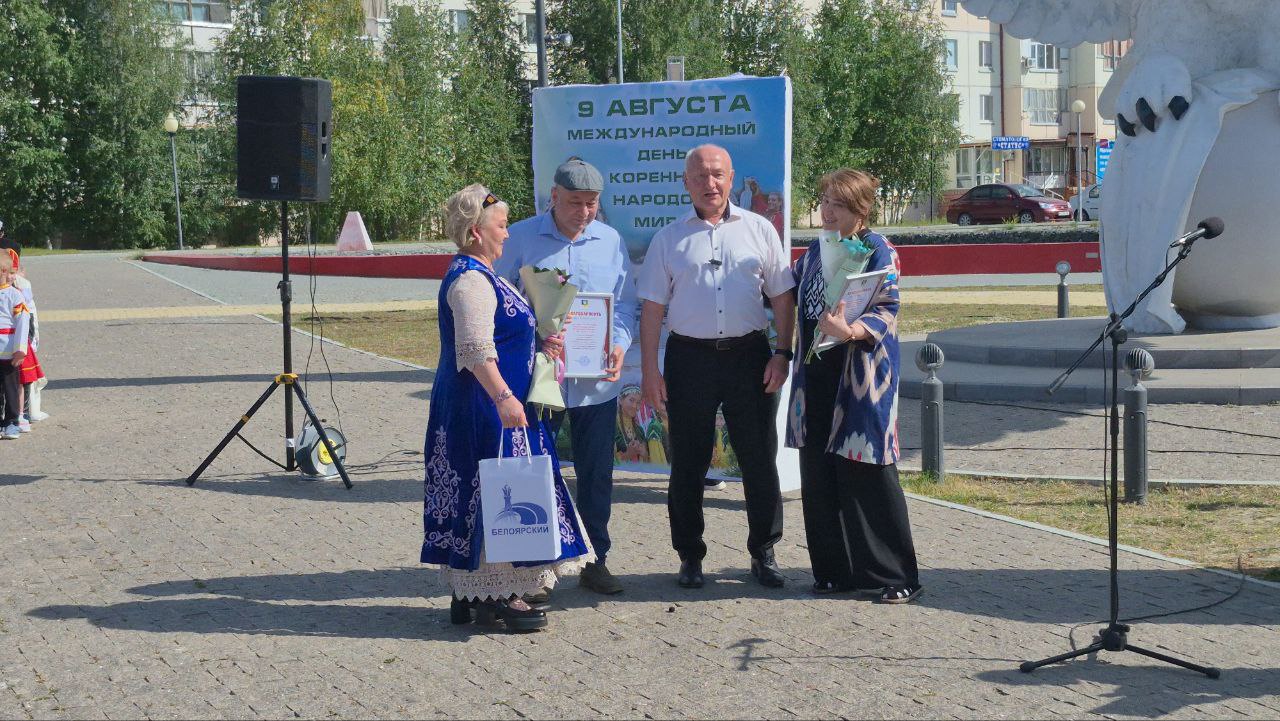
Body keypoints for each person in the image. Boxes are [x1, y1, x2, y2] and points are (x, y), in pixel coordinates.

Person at [421, 184, 593, 632]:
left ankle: (472, 594)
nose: (508, 234)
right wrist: (504, 398)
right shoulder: (470, 281)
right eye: (501, 226)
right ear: (477, 232)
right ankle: (499, 594)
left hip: (490, 406)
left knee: (489, 490)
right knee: (496, 491)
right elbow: (476, 349)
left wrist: (541, 344)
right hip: (484, 409)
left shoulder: (483, 274)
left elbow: (501, 336)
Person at [637, 144, 796, 589]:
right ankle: (689, 555)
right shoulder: (668, 238)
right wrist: (650, 371)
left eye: (718, 174)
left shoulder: (760, 229)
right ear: (686, 183)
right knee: (688, 463)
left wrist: (783, 352)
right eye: (700, 176)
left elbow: (782, 297)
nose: (710, 183)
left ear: (731, 178)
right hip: (689, 359)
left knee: (759, 459)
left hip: (750, 357)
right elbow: (652, 310)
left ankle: (764, 551)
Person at [496, 158, 637, 596]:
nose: (584, 211)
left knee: (597, 474)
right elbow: (498, 302)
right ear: (554, 196)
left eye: (592, 203)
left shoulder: (610, 241)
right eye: (575, 202)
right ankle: (533, 568)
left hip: (596, 385)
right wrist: (535, 337)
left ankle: (596, 560)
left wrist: (619, 344)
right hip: (540, 379)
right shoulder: (521, 238)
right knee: (535, 469)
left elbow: (624, 304)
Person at [785, 169, 922, 604]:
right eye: (825, 201)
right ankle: (833, 571)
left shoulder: (879, 248)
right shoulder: (815, 249)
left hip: (861, 376)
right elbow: (788, 290)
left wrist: (851, 331)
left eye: (838, 204)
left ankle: (896, 575)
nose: (827, 211)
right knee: (819, 473)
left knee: (869, 473)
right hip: (816, 374)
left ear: (860, 210)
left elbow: (887, 307)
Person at [0, 250, 29, 440]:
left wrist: (20, 349)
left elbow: (23, 322)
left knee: (10, 387)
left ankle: (12, 422)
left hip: (8, 350)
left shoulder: (15, 295)